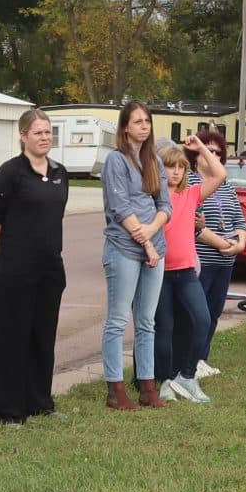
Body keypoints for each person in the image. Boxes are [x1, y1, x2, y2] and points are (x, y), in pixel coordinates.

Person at [0, 107, 69, 425]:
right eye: (38, 132)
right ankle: (7, 411)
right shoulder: (10, 173)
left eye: (48, 132)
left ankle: (38, 402)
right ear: (23, 136)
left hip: (50, 268)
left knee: (42, 336)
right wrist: (8, 255)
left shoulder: (60, 172)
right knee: (11, 339)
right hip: (15, 270)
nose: (45, 137)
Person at [100, 100, 168, 410]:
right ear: (125, 126)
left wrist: (153, 230)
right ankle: (115, 389)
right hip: (124, 247)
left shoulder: (154, 159)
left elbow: (165, 205)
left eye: (147, 121)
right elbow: (120, 207)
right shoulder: (116, 161)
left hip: (153, 244)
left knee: (146, 321)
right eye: (137, 121)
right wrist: (147, 242)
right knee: (117, 320)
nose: (144, 126)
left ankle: (147, 385)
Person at [151, 140, 227, 402]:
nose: (175, 172)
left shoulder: (192, 193)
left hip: (185, 272)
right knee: (164, 328)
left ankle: (187, 375)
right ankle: (164, 382)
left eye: (180, 167)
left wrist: (200, 148)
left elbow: (220, 174)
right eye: (169, 167)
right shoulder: (153, 197)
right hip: (159, 272)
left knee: (202, 320)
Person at [193, 128, 246, 379]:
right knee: (198, 314)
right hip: (202, 260)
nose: (213, 155)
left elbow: (240, 220)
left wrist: (239, 244)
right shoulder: (190, 182)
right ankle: (190, 361)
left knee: (214, 311)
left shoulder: (226, 187)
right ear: (197, 153)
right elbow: (194, 227)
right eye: (209, 150)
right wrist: (223, 244)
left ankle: (202, 358)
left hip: (225, 262)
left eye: (218, 152)